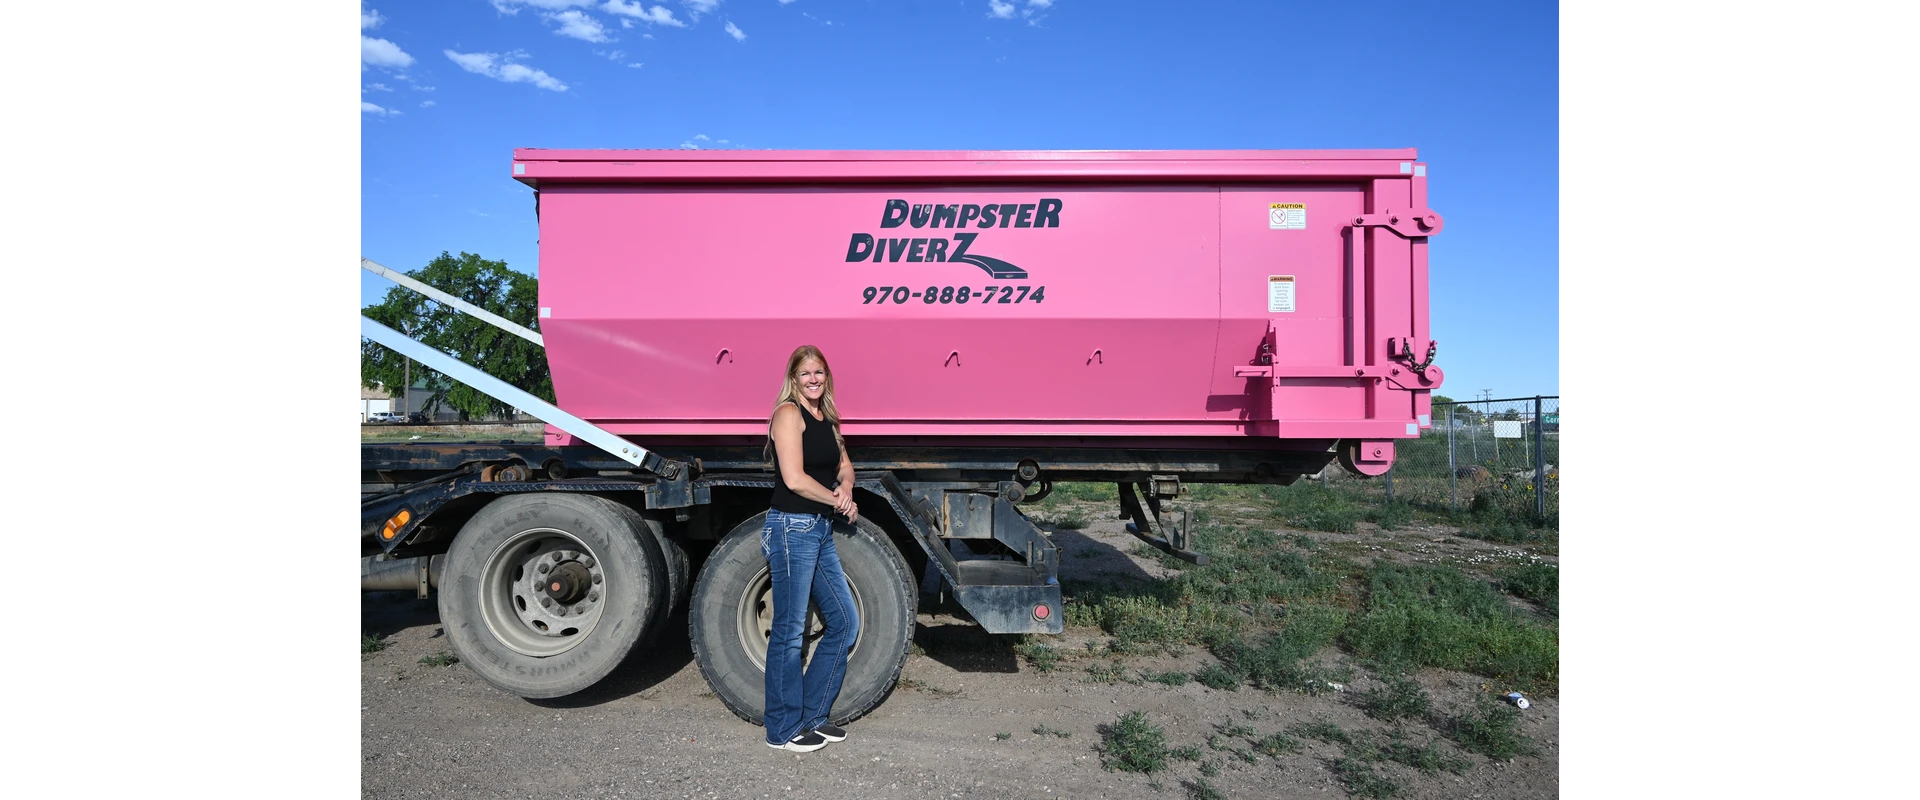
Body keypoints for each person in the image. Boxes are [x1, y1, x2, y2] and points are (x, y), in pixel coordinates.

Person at [760, 344, 861, 753]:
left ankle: (813, 715)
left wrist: (848, 488)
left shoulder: (827, 418)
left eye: (819, 372)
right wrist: (838, 501)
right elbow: (795, 479)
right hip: (791, 528)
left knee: (844, 622)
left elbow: (845, 467)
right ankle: (781, 730)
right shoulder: (788, 414)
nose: (813, 379)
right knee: (789, 631)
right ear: (793, 378)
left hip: (817, 528)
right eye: (805, 374)